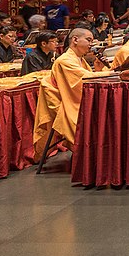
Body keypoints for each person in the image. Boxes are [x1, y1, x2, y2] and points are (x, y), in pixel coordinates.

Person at [32, 28, 97, 159]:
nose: (91, 44)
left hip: (74, 99)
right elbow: (85, 79)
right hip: (66, 104)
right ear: (75, 40)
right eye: (88, 40)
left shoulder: (79, 59)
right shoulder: (65, 60)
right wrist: (114, 74)